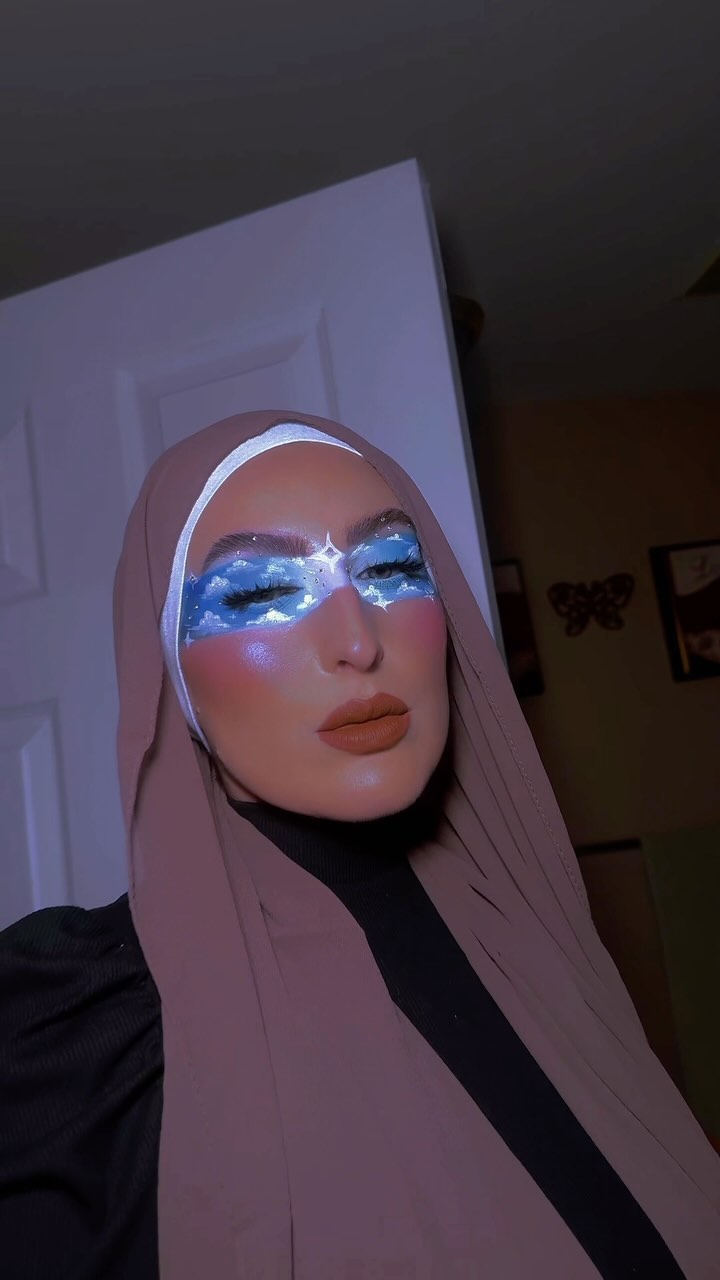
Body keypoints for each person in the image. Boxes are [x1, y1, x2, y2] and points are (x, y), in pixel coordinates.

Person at [1, 412, 718, 1280]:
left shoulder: (533, 932)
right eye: (259, 593)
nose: (358, 642)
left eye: (390, 570)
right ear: (167, 669)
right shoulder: (80, 1049)